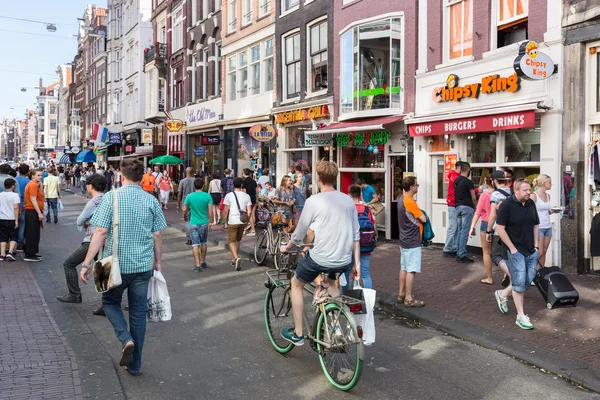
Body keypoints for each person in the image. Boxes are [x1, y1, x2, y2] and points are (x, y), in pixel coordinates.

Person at [80, 158, 167, 376]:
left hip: (112, 264)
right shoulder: (151, 200)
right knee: (138, 312)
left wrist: (86, 264)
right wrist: (157, 262)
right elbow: (157, 234)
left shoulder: (111, 198)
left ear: (121, 174)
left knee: (109, 302)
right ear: (142, 176)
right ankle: (135, 364)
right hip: (143, 265)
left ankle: (125, 339)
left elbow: (100, 232)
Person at [279, 161, 360, 345]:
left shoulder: (313, 201)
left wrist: (287, 247)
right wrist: (356, 264)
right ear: (335, 178)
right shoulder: (347, 200)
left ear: (318, 178)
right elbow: (356, 234)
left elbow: (299, 234)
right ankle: (338, 325)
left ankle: (298, 334)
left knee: (296, 283)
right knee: (331, 283)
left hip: (320, 258)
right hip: (344, 259)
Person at [494, 179, 539, 330]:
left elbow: (536, 224)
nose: (529, 193)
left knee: (526, 280)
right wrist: (512, 249)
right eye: (526, 190)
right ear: (516, 190)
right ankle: (520, 316)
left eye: (529, 189)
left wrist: (536, 246)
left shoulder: (531, 203)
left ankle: (503, 294)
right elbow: (500, 228)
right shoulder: (507, 205)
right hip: (515, 251)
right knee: (519, 283)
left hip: (530, 249)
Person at [56, 174, 106, 304]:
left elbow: (80, 220)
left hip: (92, 240)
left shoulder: (93, 202)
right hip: (107, 240)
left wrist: (87, 222)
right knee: (103, 270)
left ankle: (75, 294)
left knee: (69, 264)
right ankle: (108, 303)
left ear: (90, 186)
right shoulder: (108, 199)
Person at [397, 176, 427, 307]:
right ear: (411, 187)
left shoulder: (400, 199)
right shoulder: (410, 201)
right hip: (412, 239)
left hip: (403, 238)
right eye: (416, 185)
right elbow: (423, 219)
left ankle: (401, 293)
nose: (417, 187)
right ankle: (408, 298)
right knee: (411, 269)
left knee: (404, 267)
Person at [486, 170, 513, 287]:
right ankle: (511, 280)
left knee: (496, 255)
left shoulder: (495, 194)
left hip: (500, 229)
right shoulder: (513, 192)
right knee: (509, 255)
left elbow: (493, 215)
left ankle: (512, 275)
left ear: (495, 180)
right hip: (513, 229)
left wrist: (488, 230)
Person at [344, 184, 374, 289]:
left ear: (349, 195)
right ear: (360, 195)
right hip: (366, 245)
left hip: (351, 246)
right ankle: (369, 302)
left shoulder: (348, 209)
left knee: (347, 273)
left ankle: (346, 300)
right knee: (365, 273)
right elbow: (373, 225)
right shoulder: (366, 209)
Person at [221, 177, 252, 271]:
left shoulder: (229, 195)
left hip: (233, 221)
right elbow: (249, 211)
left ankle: (236, 257)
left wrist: (223, 222)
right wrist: (247, 222)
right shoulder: (247, 196)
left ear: (233, 185)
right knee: (238, 240)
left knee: (231, 241)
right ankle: (234, 259)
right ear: (241, 185)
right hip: (242, 221)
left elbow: (225, 210)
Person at [183, 178, 214, 271]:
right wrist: (211, 220)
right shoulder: (207, 196)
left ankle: (197, 265)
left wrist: (184, 216)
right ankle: (203, 261)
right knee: (204, 242)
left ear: (194, 186)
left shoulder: (190, 196)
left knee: (195, 244)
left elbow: (185, 209)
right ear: (203, 186)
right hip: (204, 223)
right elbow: (211, 210)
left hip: (193, 223)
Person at [469, 174, 494, 284]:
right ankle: (505, 275)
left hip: (486, 223)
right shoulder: (504, 194)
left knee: (486, 252)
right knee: (502, 253)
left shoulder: (484, 196)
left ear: (487, 183)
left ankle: (489, 277)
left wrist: (472, 226)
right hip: (500, 225)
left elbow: (478, 212)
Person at [530, 174, 558, 268]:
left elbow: (545, 211)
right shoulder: (534, 196)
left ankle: (540, 273)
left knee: (544, 251)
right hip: (539, 227)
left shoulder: (548, 196)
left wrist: (552, 211)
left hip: (548, 226)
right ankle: (530, 272)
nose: (551, 184)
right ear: (543, 183)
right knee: (540, 252)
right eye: (549, 182)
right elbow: (530, 212)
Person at [453, 162, 476, 263]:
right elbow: (473, 196)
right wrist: (475, 207)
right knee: (464, 232)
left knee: (459, 231)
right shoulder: (468, 182)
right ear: (468, 169)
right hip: (467, 208)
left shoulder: (456, 180)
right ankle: (462, 254)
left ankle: (459, 252)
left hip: (458, 207)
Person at [24, 169, 45, 262]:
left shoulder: (35, 185)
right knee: (32, 233)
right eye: (38, 175)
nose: (40, 177)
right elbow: (33, 200)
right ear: (32, 176)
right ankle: (29, 254)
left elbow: (41, 196)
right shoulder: (32, 185)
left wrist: (40, 187)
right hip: (32, 211)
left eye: (41, 175)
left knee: (35, 232)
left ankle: (32, 252)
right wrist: (39, 213)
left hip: (33, 211)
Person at [443, 161, 462, 257]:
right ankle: (447, 248)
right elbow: (460, 186)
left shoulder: (454, 176)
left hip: (455, 204)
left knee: (456, 228)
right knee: (453, 227)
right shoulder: (455, 176)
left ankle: (453, 247)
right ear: (460, 168)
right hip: (453, 205)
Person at [0, 178, 21, 261]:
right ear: (13, 186)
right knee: (13, 235)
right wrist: (16, 220)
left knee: (2, 236)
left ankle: (2, 254)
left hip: (2, 218)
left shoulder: (0, 194)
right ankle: (10, 252)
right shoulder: (15, 195)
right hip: (11, 218)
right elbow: (16, 207)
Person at [241, 168, 257, 236]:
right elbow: (257, 191)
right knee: (252, 213)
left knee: (248, 215)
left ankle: (252, 230)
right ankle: (251, 227)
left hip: (248, 200)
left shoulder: (244, 181)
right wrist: (257, 199)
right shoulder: (253, 181)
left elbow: (244, 191)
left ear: (244, 173)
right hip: (253, 198)